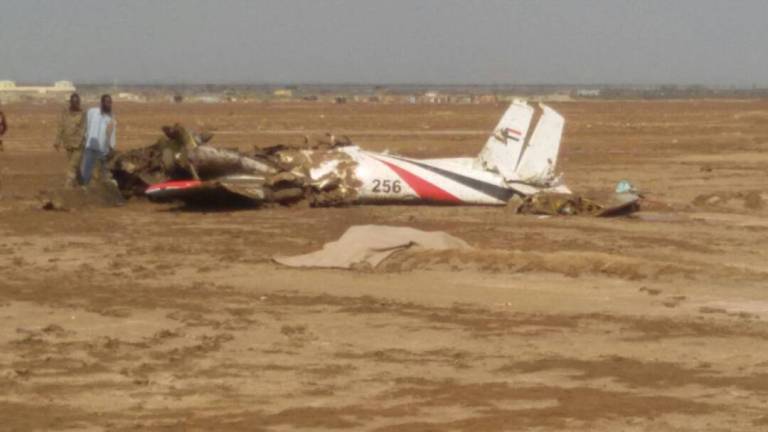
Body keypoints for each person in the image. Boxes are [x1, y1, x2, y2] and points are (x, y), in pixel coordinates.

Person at [81, 94, 116, 185]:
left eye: (110, 102)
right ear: (102, 103)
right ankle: (84, 187)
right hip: (90, 146)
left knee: (104, 171)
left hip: (102, 149)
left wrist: (111, 147)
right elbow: (85, 124)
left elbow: (112, 134)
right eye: (107, 102)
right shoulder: (92, 112)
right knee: (87, 170)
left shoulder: (111, 118)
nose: (109, 104)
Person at [54, 93, 85, 187]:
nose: (76, 104)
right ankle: (82, 184)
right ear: (70, 102)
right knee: (75, 166)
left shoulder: (83, 114)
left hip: (79, 145)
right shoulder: (65, 113)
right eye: (74, 102)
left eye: (77, 102)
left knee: (72, 166)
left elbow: (85, 129)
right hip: (68, 143)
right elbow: (61, 126)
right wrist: (57, 140)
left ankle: (67, 186)